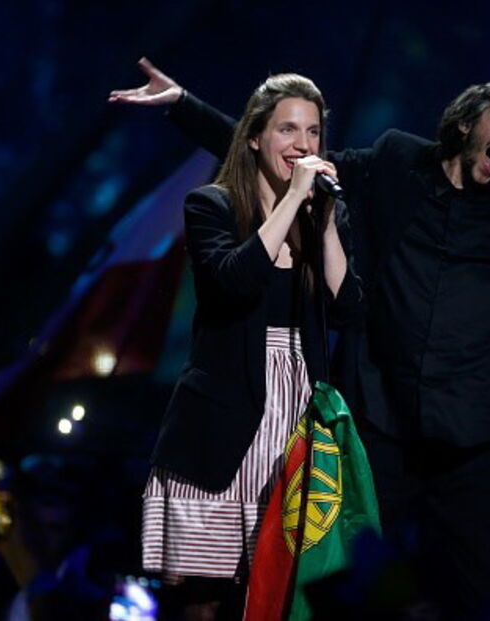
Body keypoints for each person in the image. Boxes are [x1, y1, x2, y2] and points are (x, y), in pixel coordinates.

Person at [110, 50, 490, 614]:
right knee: (332, 586)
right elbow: (290, 159)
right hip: (379, 430)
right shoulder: (394, 165)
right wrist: (182, 106)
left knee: (481, 596)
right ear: (466, 122)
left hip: (468, 442)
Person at [132, 73, 360, 620]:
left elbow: (350, 310)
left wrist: (326, 225)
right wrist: (292, 202)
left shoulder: (321, 215)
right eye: (288, 129)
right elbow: (235, 281)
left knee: (279, 589)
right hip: (222, 420)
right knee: (203, 597)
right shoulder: (211, 205)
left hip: (295, 419)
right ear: (254, 137)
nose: (303, 145)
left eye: (312, 132)